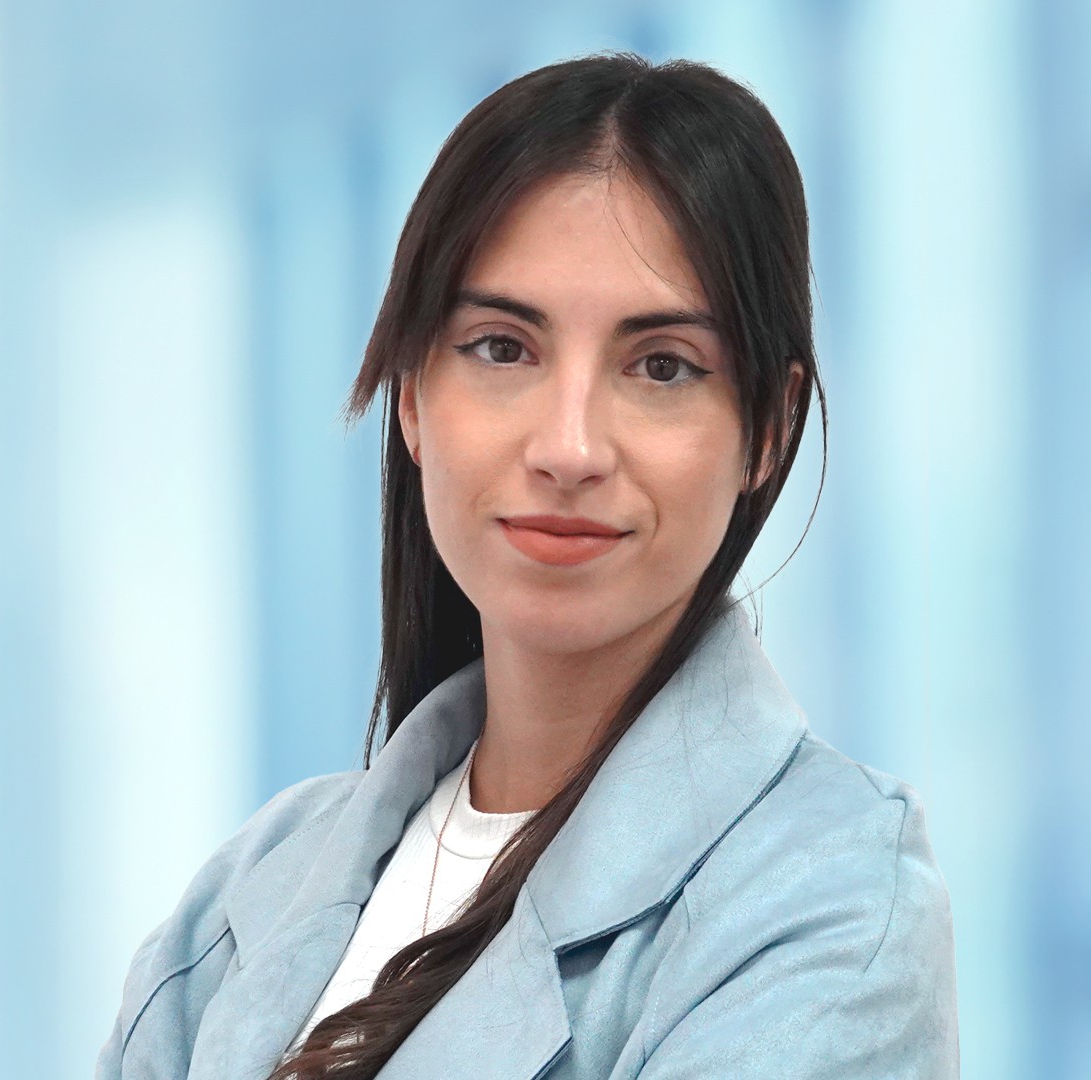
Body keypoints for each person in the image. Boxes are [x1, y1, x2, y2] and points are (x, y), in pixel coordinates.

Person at [95, 51, 958, 1080]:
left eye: (662, 366)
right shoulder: (258, 880)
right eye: (503, 348)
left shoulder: (831, 898)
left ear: (769, 428)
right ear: (412, 395)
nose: (570, 447)